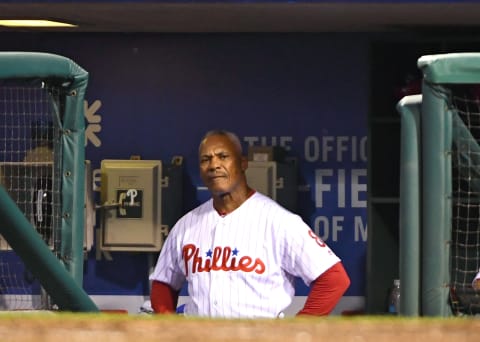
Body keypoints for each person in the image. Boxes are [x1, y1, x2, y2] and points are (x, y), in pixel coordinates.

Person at [149, 129, 350, 318]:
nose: (214, 165)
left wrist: (298, 330)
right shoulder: (185, 226)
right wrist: (170, 328)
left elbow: (334, 279)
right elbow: (163, 284)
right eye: (205, 159)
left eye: (223, 156)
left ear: (243, 163)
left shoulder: (279, 221)